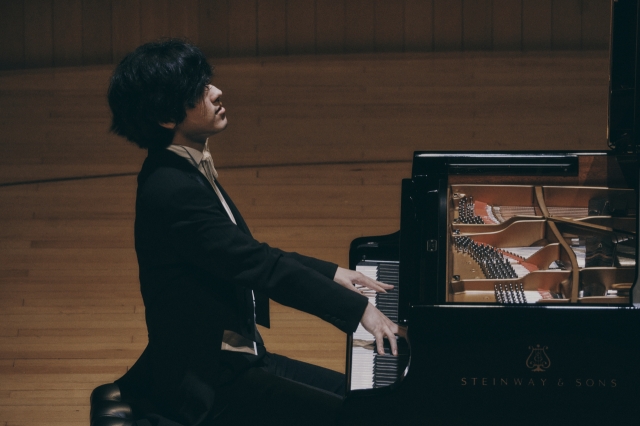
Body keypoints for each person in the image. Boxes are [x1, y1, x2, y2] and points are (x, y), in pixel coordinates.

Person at [107, 39, 404, 426]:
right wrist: (358, 310)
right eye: (199, 90)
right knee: (367, 416)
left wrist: (330, 272)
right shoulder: (171, 189)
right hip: (206, 386)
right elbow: (260, 267)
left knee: (373, 403)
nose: (215, 92)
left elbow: (246, 253)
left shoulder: (179, 169)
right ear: (166, 117)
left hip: (234, 359)